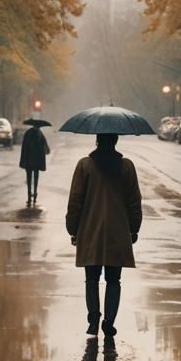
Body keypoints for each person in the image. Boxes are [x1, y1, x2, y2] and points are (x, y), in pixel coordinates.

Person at [65, 132, 142, 337]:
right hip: (117, 232)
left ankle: (93, 318)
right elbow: (134, 201)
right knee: (114, 279)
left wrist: (73, 229)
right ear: (116, 140)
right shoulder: (126, 167)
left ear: (97, 140)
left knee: (91, 278)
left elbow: (75, 201)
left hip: (90, 230)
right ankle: (109, 321)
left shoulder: (85, 166)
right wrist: (134, 228)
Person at [19, 123, 50, 205]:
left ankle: (29, 197)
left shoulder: (28, 133)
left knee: (29, 179)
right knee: (36, 179)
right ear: (39, 126)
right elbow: (46, 148)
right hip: (37, 161)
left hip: (28, 160)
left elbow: (24, 147)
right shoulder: (40, 134)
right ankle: (35, 195)